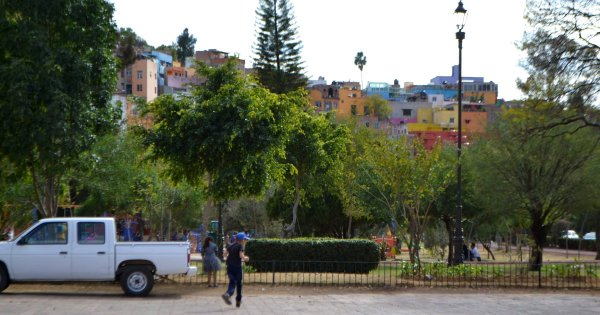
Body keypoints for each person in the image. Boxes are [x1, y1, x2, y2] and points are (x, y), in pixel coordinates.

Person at [222, 232, 250, 308]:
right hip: (237, 267)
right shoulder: (241, 246)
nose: (245, 241)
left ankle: (228, 294)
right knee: (239, 284)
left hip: (229, 266)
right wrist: (245, 258)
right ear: (241, 240)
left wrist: (229, 257)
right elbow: (241, 255)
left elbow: (225, 254)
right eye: (245, 239)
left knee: (232, 282)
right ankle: (238, 300)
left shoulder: (231, 245)